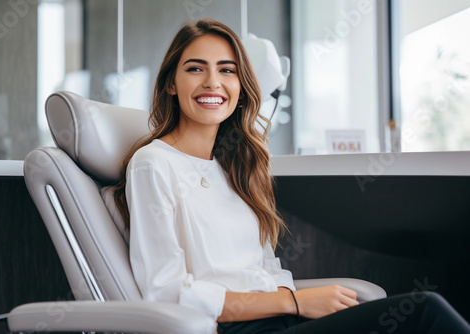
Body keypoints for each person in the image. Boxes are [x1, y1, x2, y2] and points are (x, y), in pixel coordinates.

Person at [113, 18, 470, 334]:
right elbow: (167, 293)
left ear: (240, 89)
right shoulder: (152, 164)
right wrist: (295, 303)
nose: (212, 82)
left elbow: (267, 269)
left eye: (227, 70)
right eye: (195, 68)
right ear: (171, 84)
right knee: (424, 312)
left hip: (282, 318)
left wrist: (295, 304)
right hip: (233, 328)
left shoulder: (237, 166)